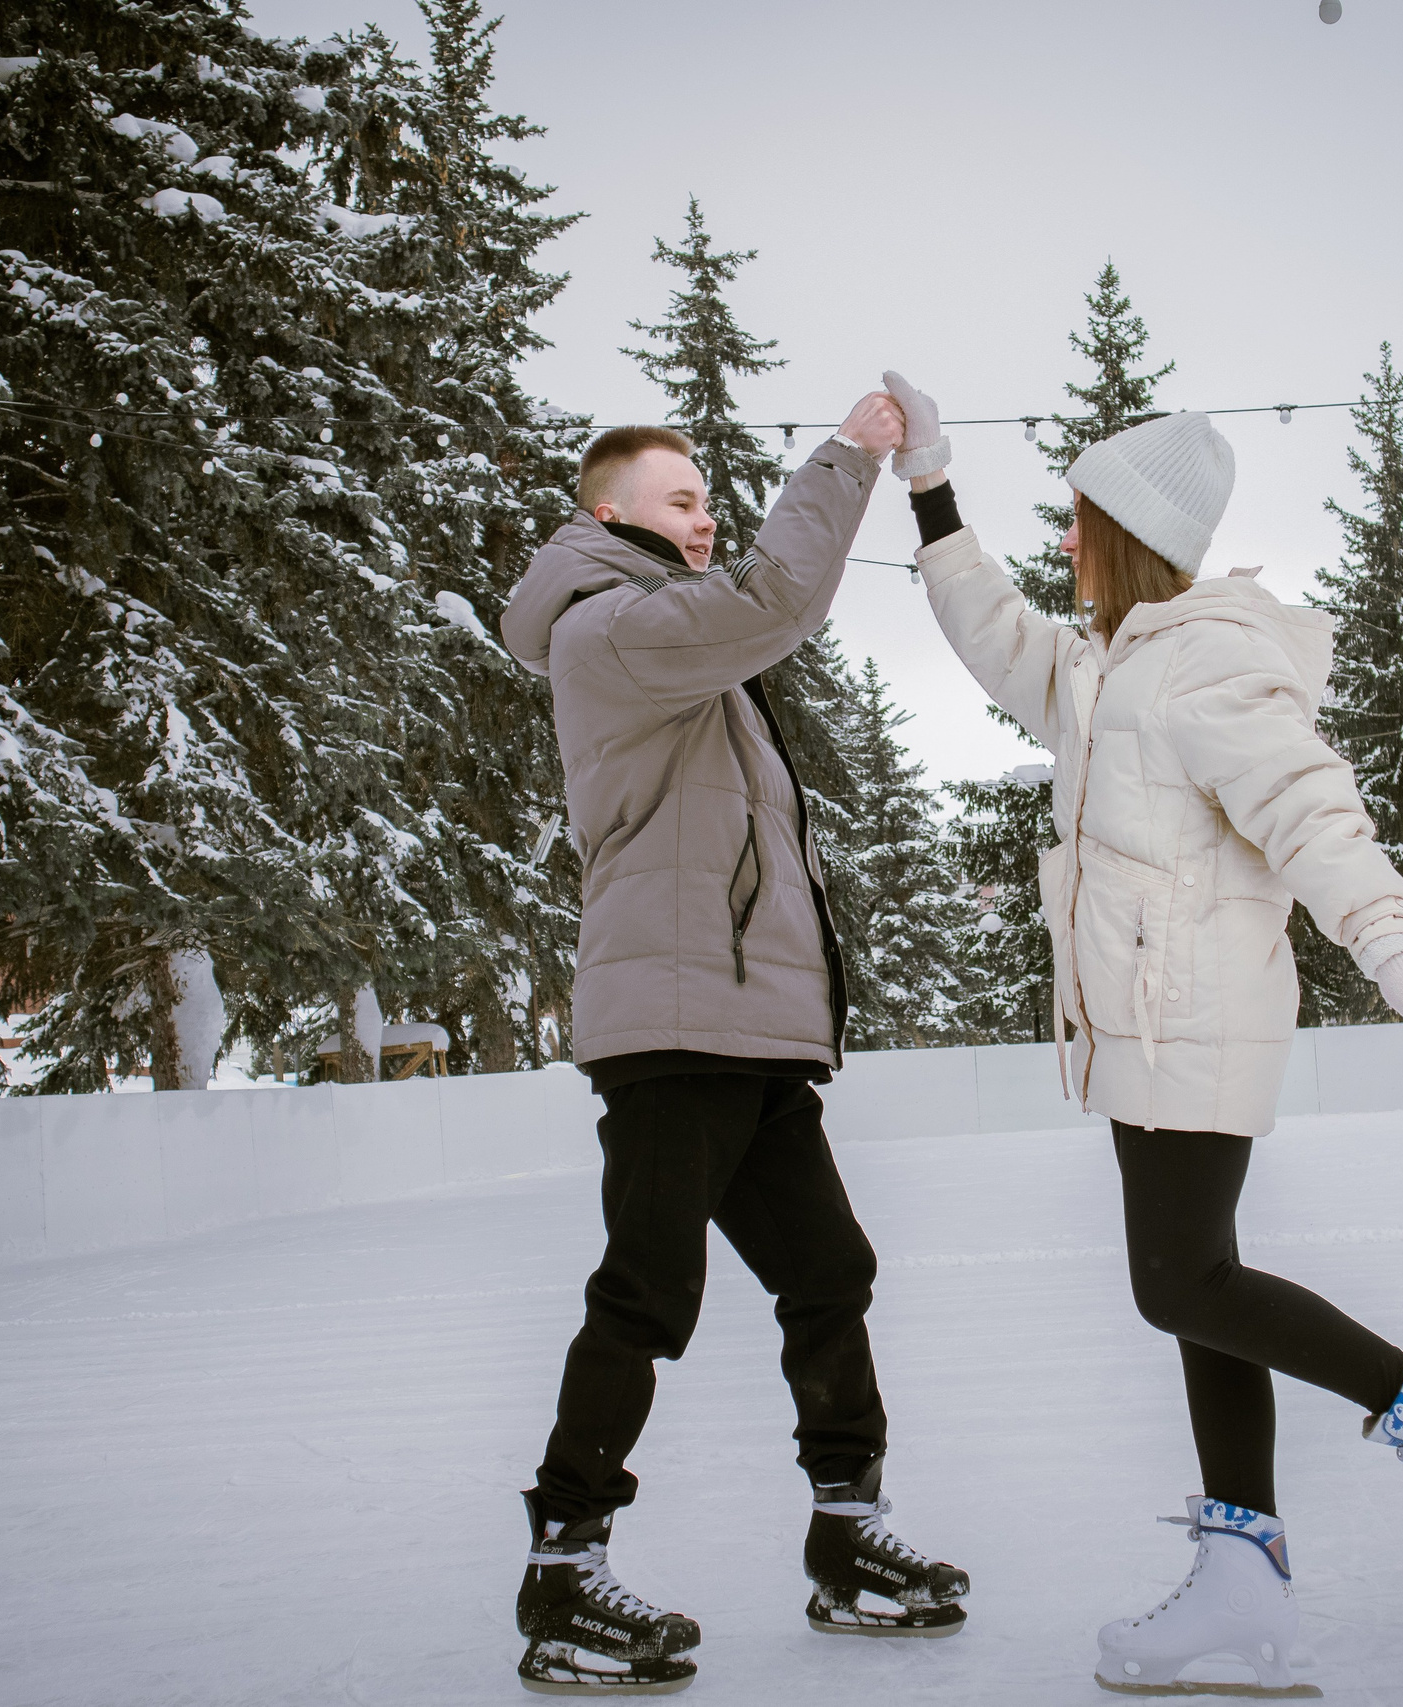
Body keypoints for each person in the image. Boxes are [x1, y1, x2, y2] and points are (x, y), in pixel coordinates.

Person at [881, 373, 1403, 1699]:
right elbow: (989, 630)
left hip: (1190, 1015)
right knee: (1202, 1291)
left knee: (1182, 1283)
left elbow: (1311, 806)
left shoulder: (1205, 662)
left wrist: (1392, 946)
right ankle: (1241, 1584)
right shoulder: (1104, 669)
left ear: (1129, 532)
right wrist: (931, 487)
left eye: (1081, 520)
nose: (1066, 541)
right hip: (1147, 1021)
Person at [496, 394, 970, 1696]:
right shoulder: (610, 626)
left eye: (708, 501)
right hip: (673, 1029)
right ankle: (563, 1571)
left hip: (744, 1029)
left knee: (829, 1271)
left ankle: (848, 1535)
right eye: (683, 501)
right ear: (609, 515)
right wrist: (852, 456)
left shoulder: (670, 637)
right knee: (648, 1292)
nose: (704, 521)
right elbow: (778, 598)